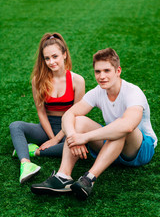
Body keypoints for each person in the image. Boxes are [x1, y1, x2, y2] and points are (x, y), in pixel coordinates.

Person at [31, 48, 157, 200]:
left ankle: (88, 179)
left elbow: (127, 126)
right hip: (111, 148)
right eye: (98, 72)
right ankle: (63, 177)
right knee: (78, 120)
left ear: (118, 71)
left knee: (120, 127)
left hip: (139, 150)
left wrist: (84, 138)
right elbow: (68, 115)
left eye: (107, 71)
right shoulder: (98, 91)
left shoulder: (133, 92)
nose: (102, 76)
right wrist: (73, 137)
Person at [9, 32, 85, 184]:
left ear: (64, 54)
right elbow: (41, 112)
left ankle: (34, 151)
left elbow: (77, 115)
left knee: (80, 145)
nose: (51, 62)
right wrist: (51, 138)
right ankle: (26, 163)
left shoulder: (77, 80)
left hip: (68, 127)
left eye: (55, 56)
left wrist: (57, 140)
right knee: (15, 126)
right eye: (47, 58)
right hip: (47, 127)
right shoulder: (37, 80)